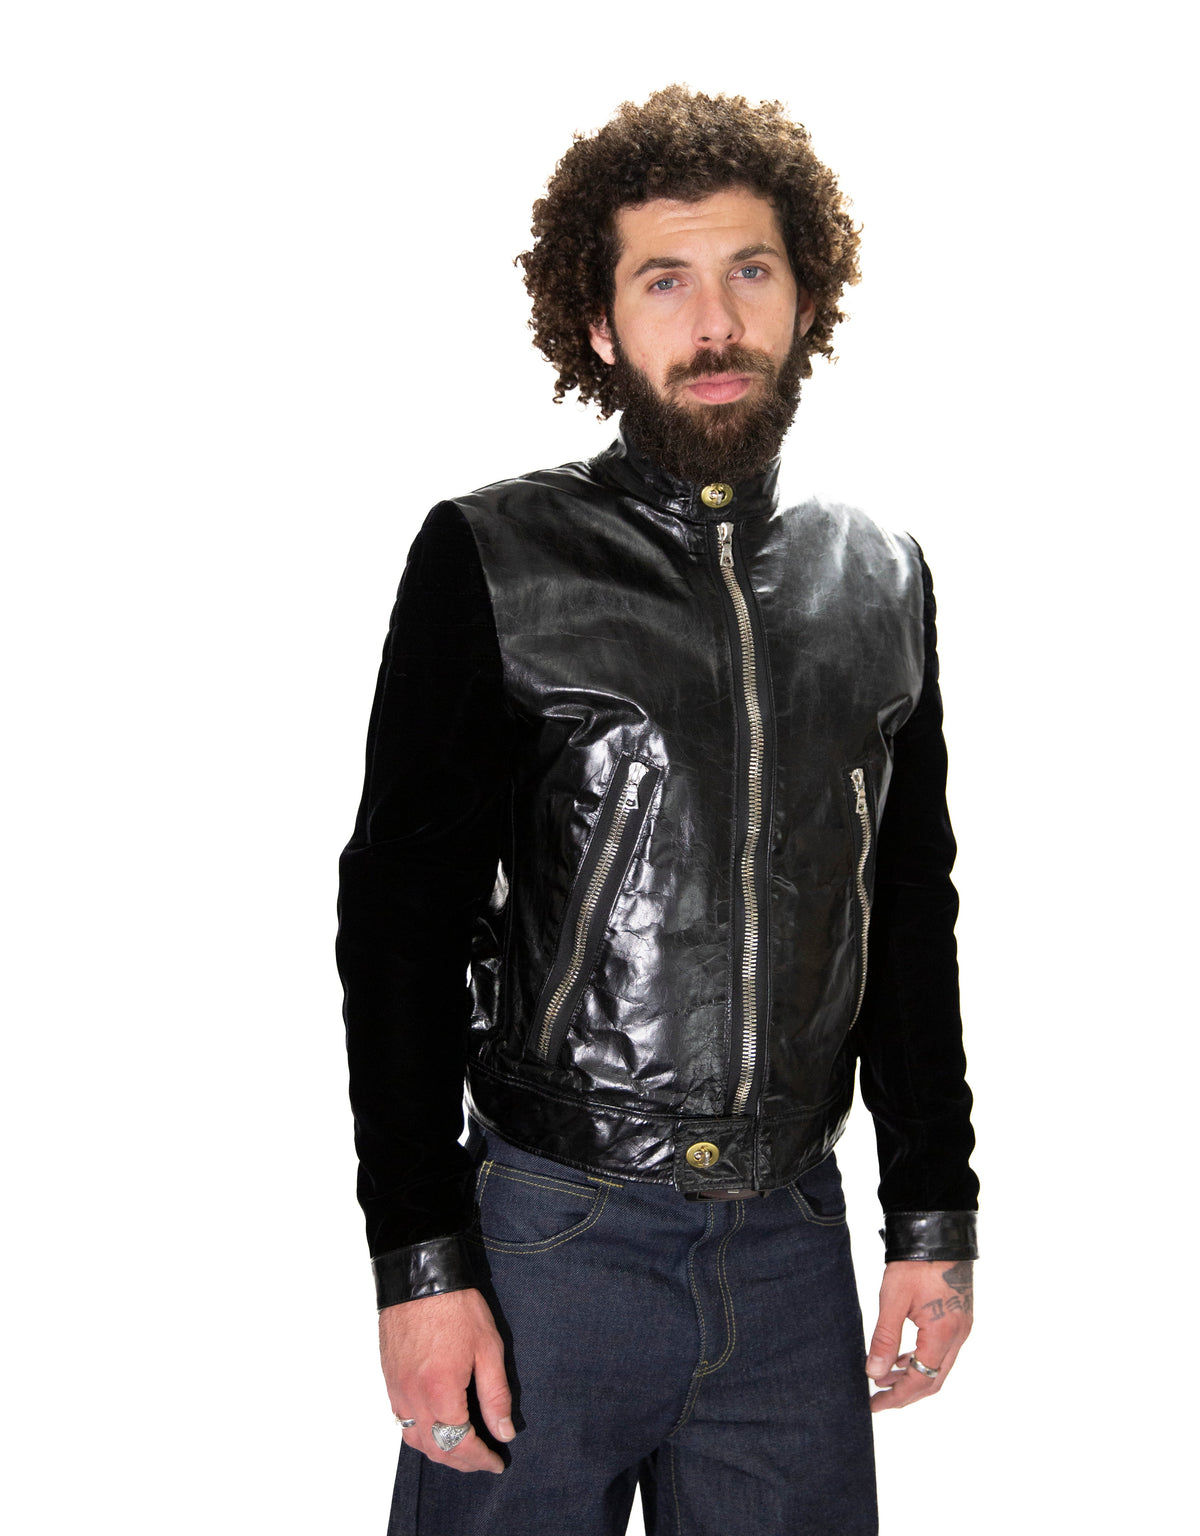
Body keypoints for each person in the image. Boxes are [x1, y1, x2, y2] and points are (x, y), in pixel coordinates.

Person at [336, 85, 979, 1536]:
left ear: (807, 298)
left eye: (750, 270)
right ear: (601, 322)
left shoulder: (879, 578)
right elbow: (399, 928)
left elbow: (908, 914)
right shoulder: (495, 556)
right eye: (665, 281)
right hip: (550, 1237)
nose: (716, 323)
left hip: (793, 1250)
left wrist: (933, 1216)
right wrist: (419, 1263)